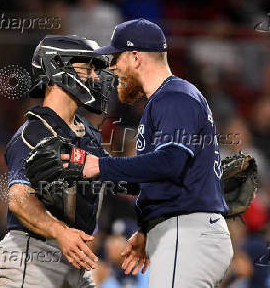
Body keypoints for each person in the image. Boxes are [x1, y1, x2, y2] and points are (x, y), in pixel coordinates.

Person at [64, 19, 234, 287]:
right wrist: (146, 228)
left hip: (187, 231)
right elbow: (154, 176)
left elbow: (171, 162)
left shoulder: (175, 96)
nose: (112, 67)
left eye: (116, 57)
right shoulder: (165, 100)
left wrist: (102, 166)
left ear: (135, 56)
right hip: (182, 232)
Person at [0, 35, 134, 288]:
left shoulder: (87, 132)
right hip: (33, 256)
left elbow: (118, 177)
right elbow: (18, 199)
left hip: (76, 259)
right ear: (58, 67)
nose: (94, 77)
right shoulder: (34, 132)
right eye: (87, 69)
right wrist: (60, 232)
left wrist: (182, 178)